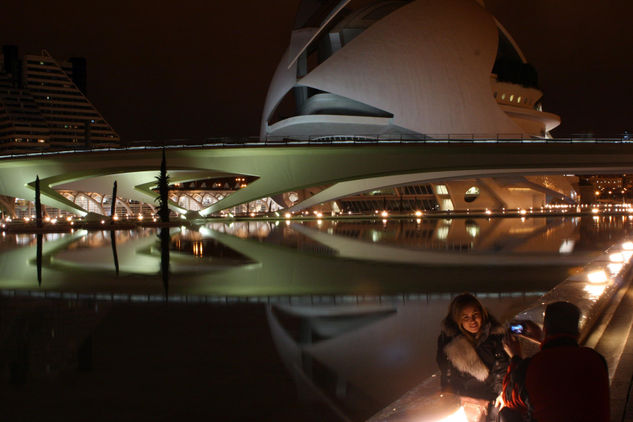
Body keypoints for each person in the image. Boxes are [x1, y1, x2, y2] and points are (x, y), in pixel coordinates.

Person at [500, 301, 610, 422]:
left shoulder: (532, 367)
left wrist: (515, 357)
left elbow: (509, 399)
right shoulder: (596, 359)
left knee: (507, 413)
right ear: (577, 332)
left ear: (545, 329)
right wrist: (542, 339)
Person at [437, 293, 509, 422]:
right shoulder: (450, 343)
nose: (472, 321)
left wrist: (502, 393)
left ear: (482, 314)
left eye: (475, 315)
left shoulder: (495, 336)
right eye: (465, 317)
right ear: (457, 320)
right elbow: (447, 372)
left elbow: (502, 367)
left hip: (494, 396)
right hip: (466, 398)